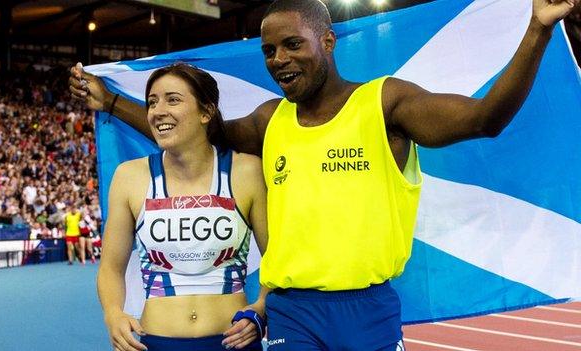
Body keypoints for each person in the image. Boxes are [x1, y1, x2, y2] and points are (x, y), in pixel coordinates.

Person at [69, 0, 578, 349]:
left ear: (328, 40)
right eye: (269, 50)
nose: (279, 60)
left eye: (292, 44)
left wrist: (536, 29)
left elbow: (484, 118)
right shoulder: (272, 121)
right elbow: (200, 132)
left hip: (369, 307)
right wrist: (113, 102)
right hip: (294, 311)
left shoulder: (384, 103)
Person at [96, 63, 268, 351]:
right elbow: (111, 268)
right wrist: (113, 314)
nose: (157, 111)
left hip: (233, 342)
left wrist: (261, 308)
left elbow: (278, 258)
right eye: (152, 102)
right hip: (158, 341)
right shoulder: (129, 177)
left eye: (172, 99)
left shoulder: (247, 172)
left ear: (206, 112)